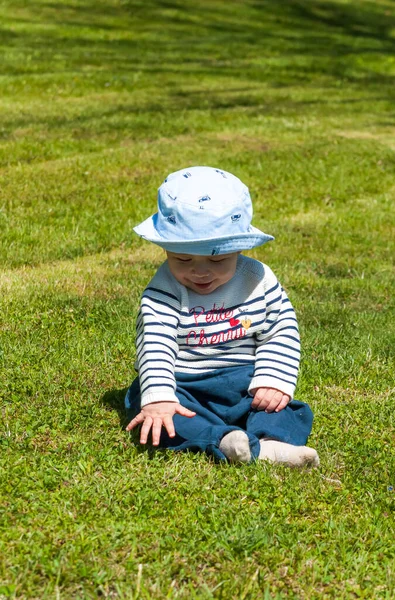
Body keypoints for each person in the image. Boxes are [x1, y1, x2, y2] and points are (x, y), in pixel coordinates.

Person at [125, 166, 319, 466]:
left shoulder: (257, 279)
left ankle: (272, 445)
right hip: (184, 383)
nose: (201, 272)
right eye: (183, 259)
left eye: (218, 260)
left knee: (285, 408)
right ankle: (224, 440)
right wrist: (161, 396)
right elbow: (155, 345)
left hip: (245, 383)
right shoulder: (163, 290)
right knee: (155, 410)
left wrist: (272, 379)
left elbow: (280, 330)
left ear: (239, 248)